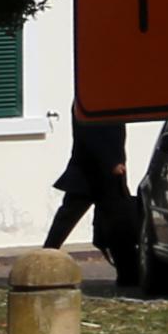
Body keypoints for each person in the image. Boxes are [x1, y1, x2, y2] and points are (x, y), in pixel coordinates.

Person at [47, 115, 139, 295]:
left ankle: (129, 274)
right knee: (67, 218)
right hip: (90, 172)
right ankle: (44, 260)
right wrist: (111, 161)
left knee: (119, 225)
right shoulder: (90, 100)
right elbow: (91, 134)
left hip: (109, 175)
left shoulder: (108, 99)